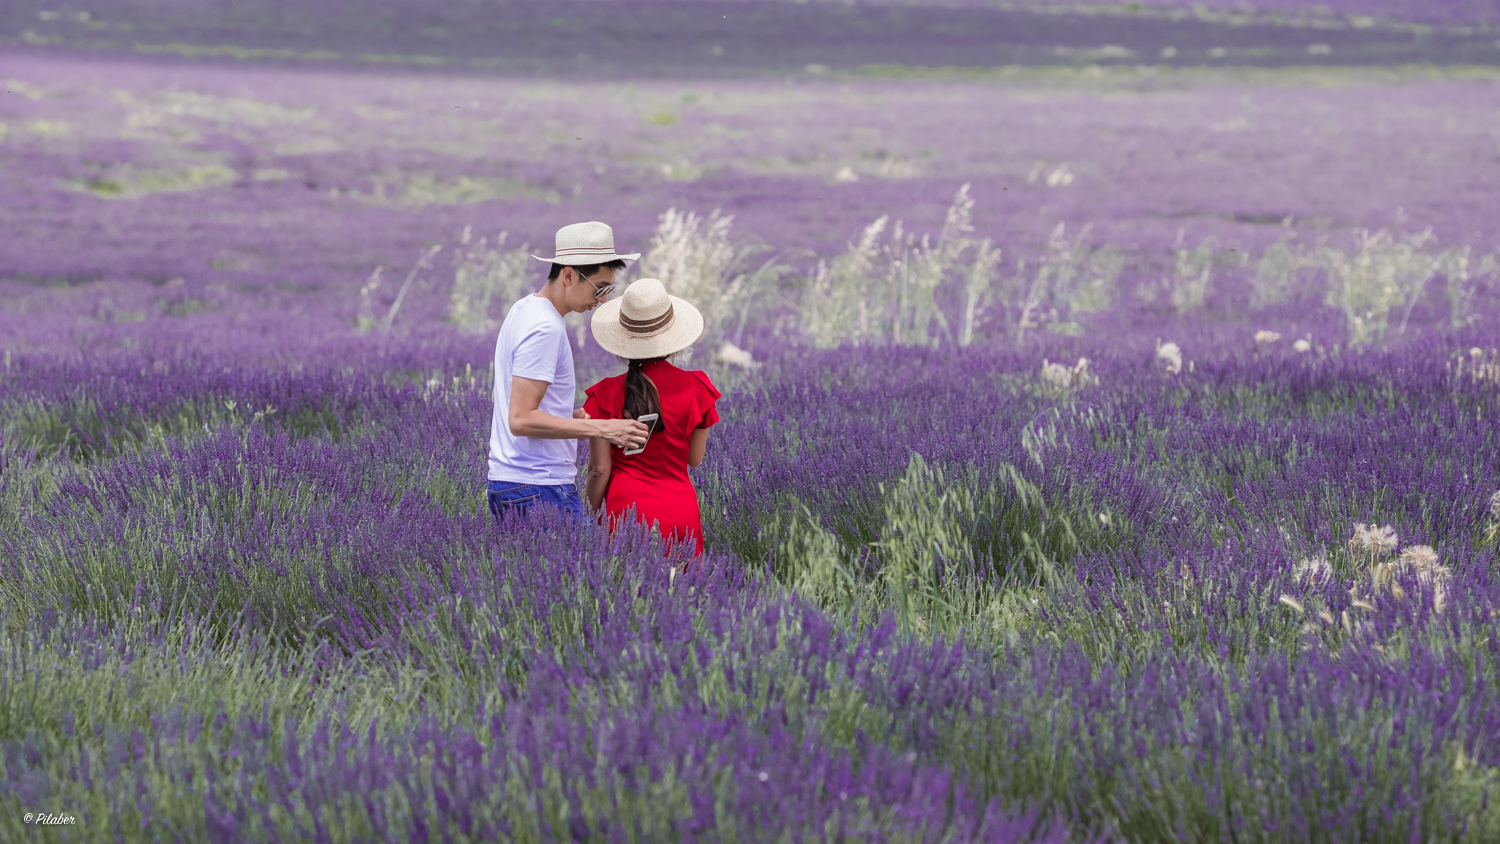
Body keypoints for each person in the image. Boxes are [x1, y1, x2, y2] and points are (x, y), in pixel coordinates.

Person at [486, 221, 650, 521]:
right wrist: (605, 428)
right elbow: (520, 419)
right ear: (569, 275)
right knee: (584, 568)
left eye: (609, 289)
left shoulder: (522, 310)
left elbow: (502, 397)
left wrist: (561, 415)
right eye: (600, 289)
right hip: (538, 488)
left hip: (511, 482)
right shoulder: (545, 328)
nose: (603, 300)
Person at [583, 278, 721, 555]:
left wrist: (588, 516)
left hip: (624, 512)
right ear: (674, 338)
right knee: (683, 593)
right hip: (679, 508)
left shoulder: (605, 393)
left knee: (622, 591)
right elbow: (694, 459)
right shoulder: (698, 387)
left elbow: (600, 470)